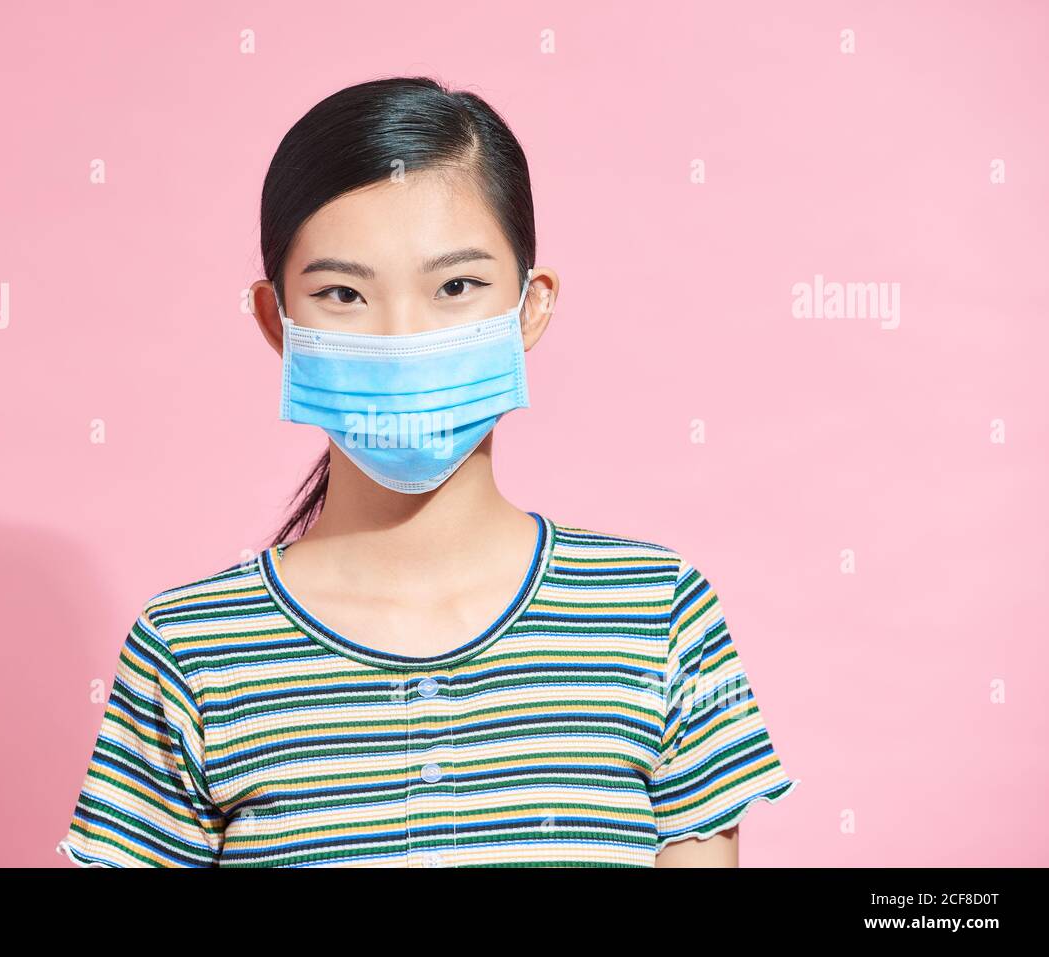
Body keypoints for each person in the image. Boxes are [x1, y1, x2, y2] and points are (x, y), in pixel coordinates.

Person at [56, 75, 798, 868]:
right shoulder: (190, 649)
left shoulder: (658, 613)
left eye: (455, 286)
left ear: (531, 306)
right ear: (279, 323)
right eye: (343, 292)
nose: (402, 338)